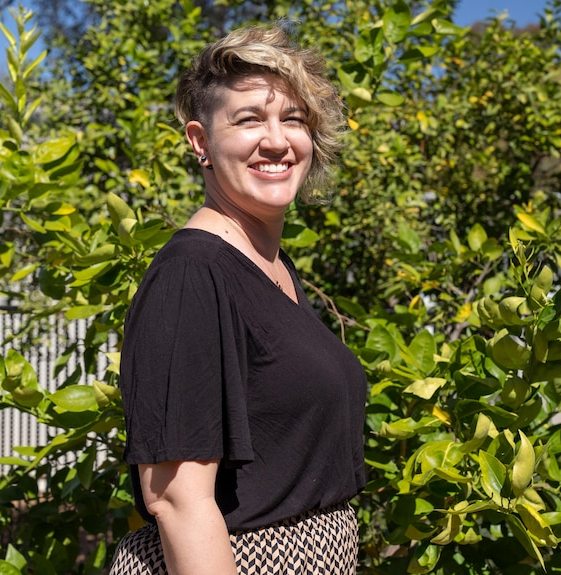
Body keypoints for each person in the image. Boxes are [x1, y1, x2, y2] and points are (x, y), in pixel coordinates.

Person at [108, 23, 368, 575]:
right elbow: (178, 499)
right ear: (201, 142)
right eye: (249, 119)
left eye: (293, 120)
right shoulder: (190, 276)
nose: (276, 140)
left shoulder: (269, 266)